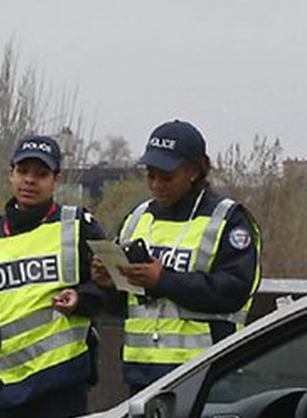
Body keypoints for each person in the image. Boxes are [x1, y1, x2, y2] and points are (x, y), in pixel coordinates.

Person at [91, 121, 262, 394]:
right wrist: (108, 283)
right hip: (142, 372)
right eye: (150, 175)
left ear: (194, 171)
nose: (157, 185)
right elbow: (125, 306)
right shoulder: (137, 218)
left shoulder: (227, 219)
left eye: (167, 177)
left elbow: (234, 292)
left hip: (207, 372)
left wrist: (163, 280)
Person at [0, 133, 113, 418]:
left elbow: (114, 288)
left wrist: (81, 297)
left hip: (59, 385)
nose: (30, 181)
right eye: (23, 172)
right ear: (11, 174)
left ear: (56, 179)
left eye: (41, 174)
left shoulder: (79, 224)